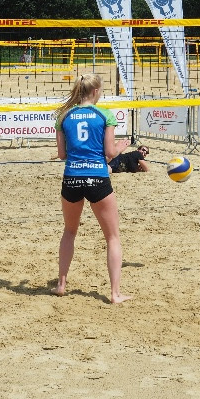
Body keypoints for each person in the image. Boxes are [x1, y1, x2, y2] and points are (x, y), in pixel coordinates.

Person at [53, 74, 131, 304]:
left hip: (72, 178)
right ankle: (115, 293)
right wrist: (120, 147)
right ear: (96, 91)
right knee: (112, 237)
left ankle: (61, 284)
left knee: (69, 232)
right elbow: (109, 153)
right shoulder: (104, 115)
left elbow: (62, 154)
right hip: (97, 177)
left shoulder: (64, 116)